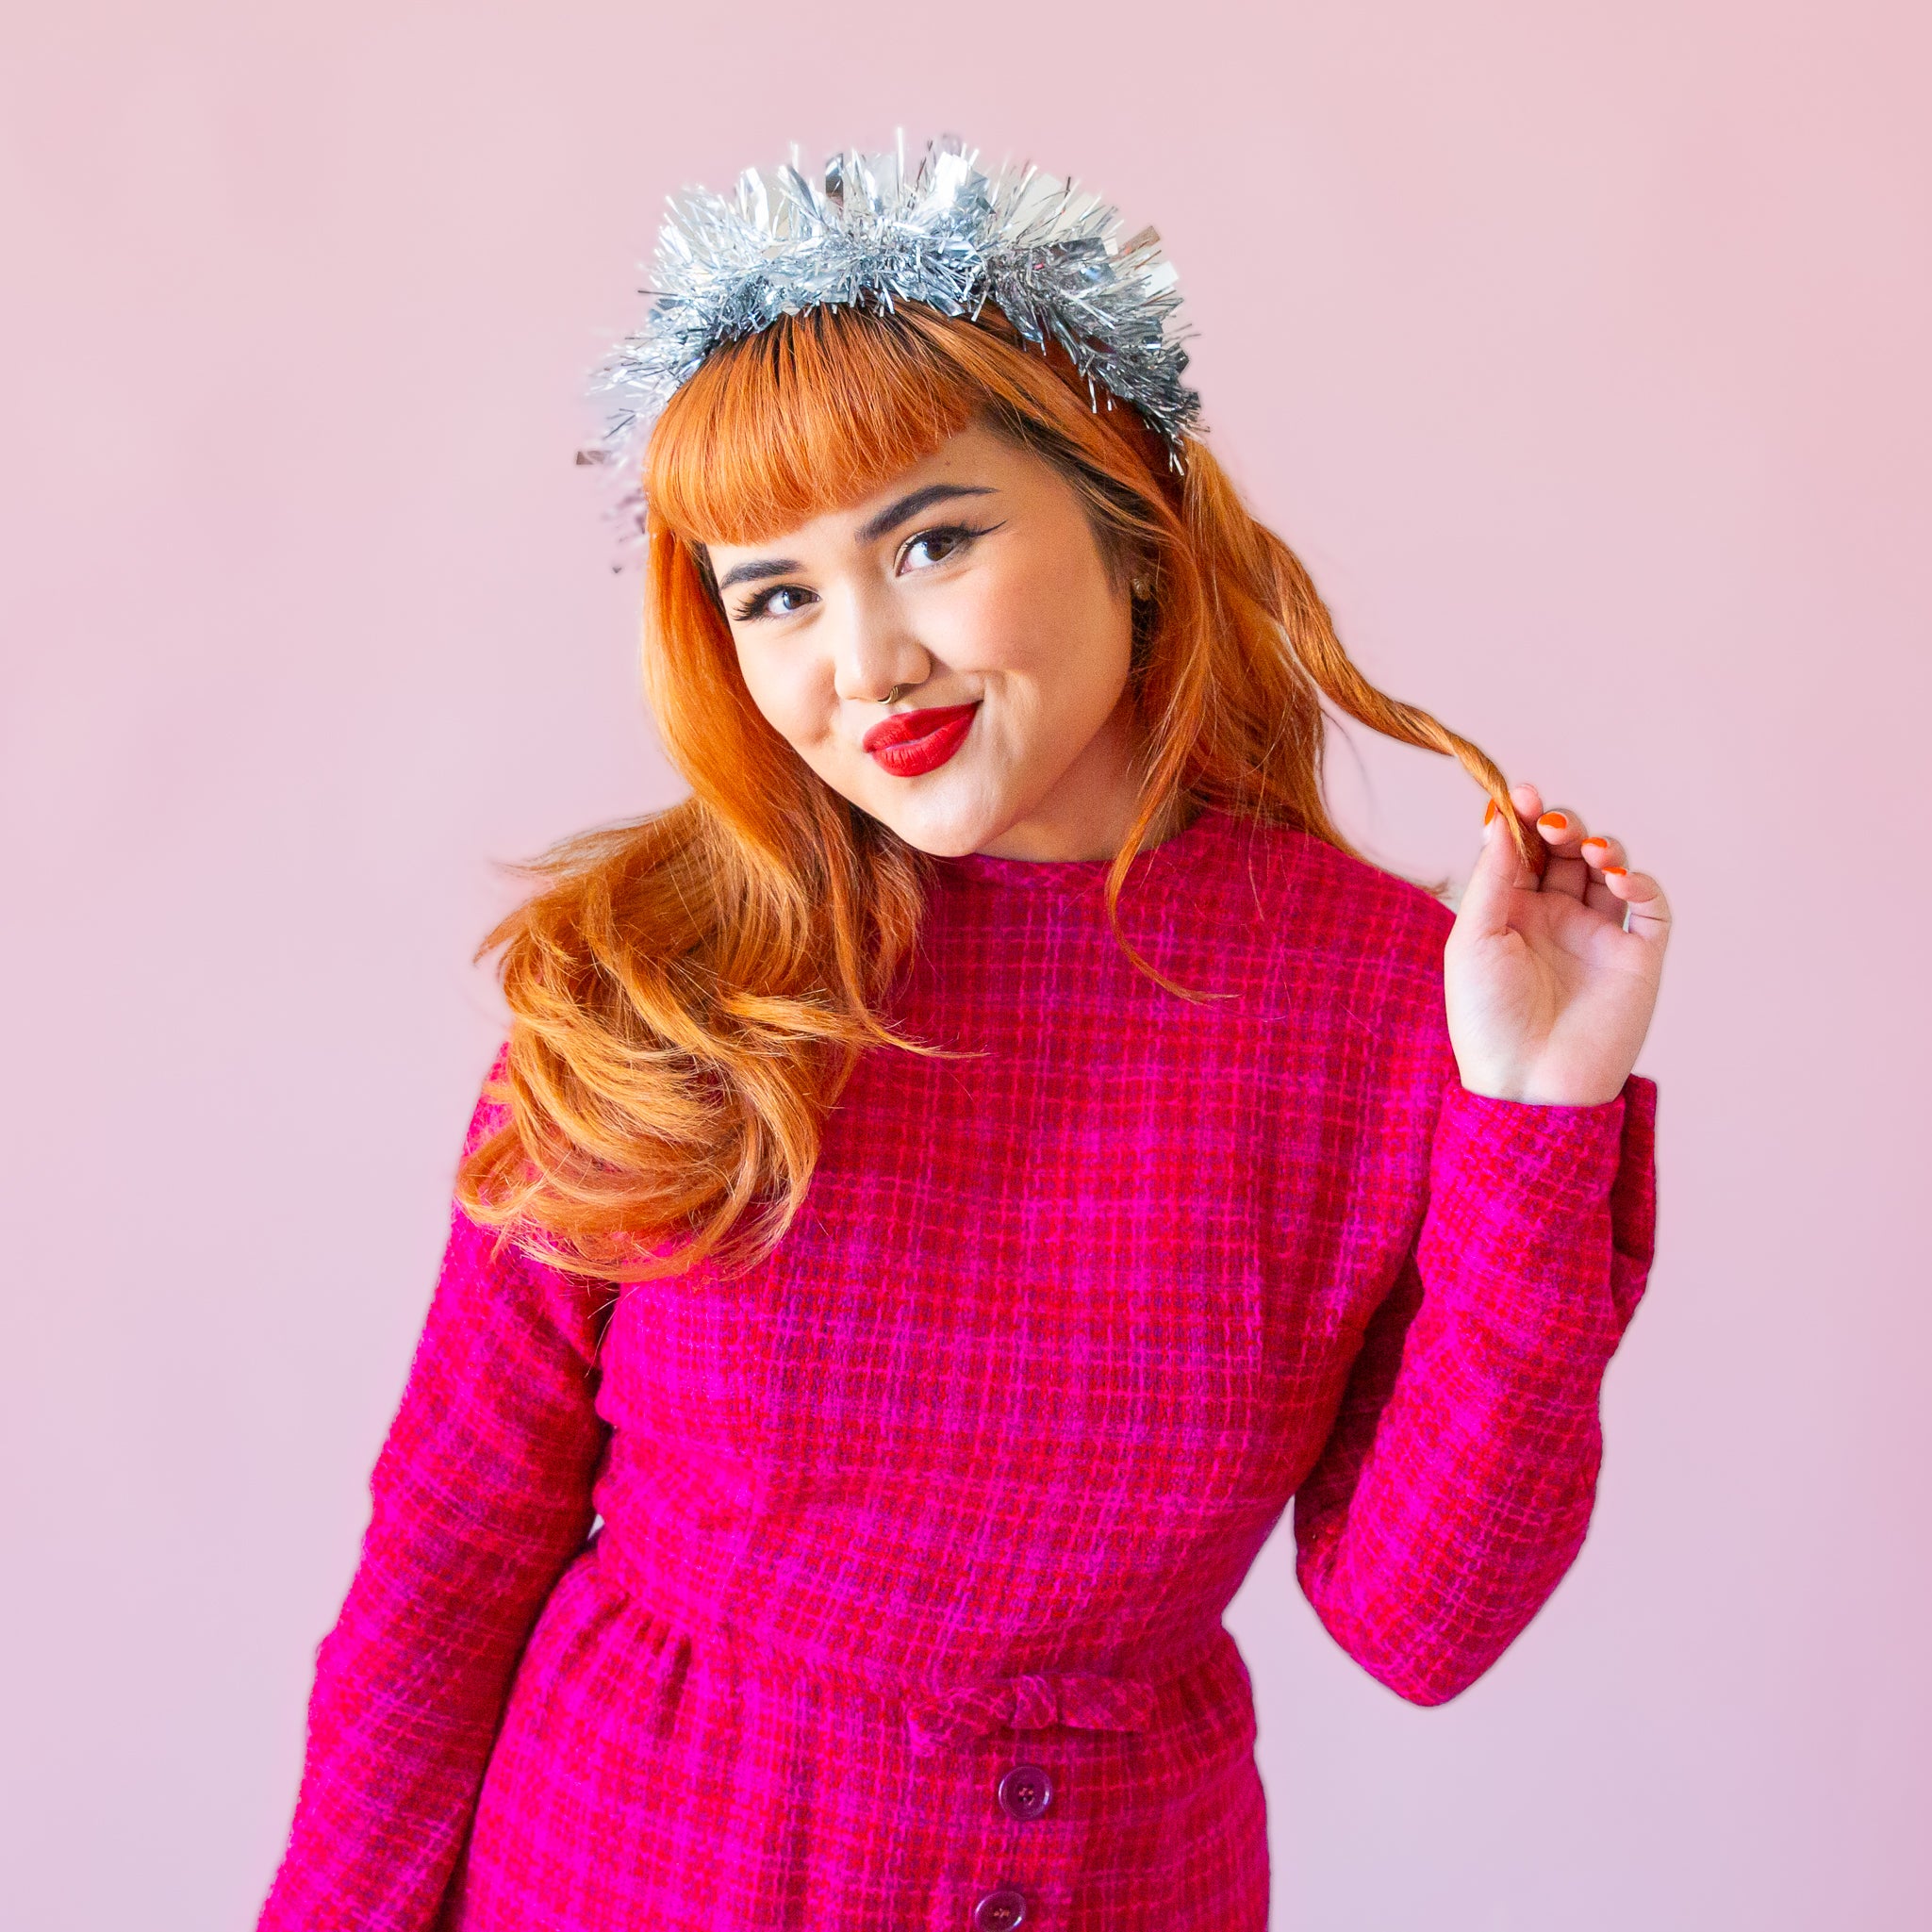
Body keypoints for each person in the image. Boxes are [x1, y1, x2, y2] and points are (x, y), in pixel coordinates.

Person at [256, 138, 1668, 1932]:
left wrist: (1541, 1111)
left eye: (929, 541)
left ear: (1131, 523)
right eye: (774, 593)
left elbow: (1421, 1622)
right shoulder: (663, 976)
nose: (864, 661)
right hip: (620, 1869)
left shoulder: (1390, 1003)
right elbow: (449, 1552)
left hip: (1097, 1882)